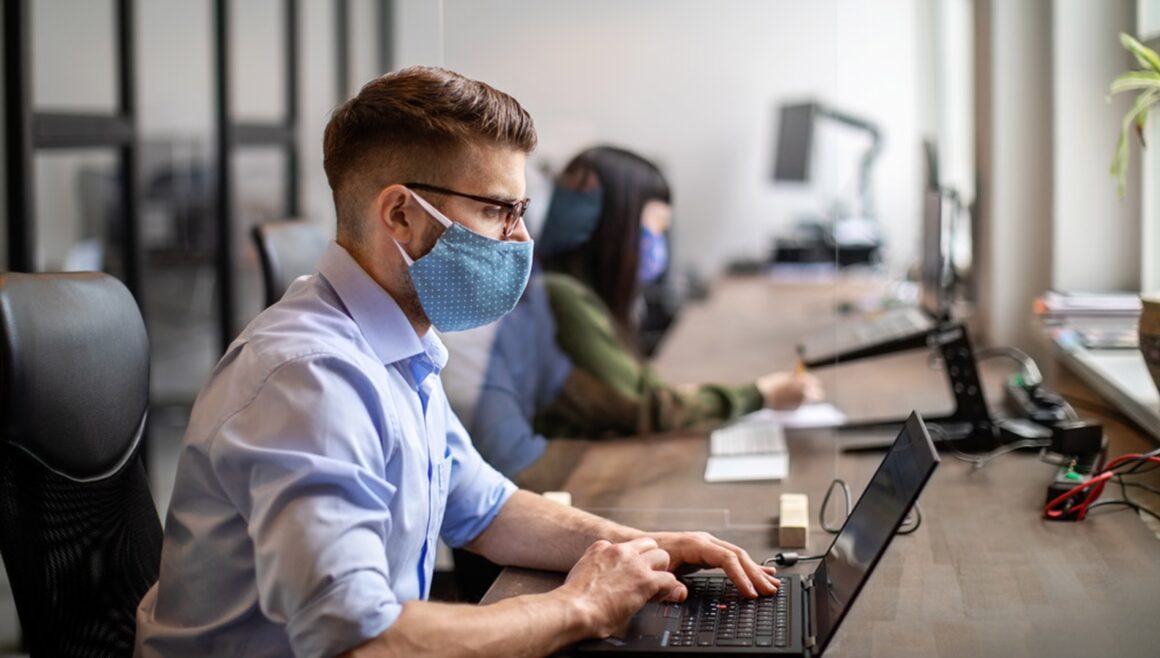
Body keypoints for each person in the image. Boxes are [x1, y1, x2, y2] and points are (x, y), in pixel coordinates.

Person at [134, 66, 780, 658]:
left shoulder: (398, 347)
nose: (521, 239)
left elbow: (485, 508)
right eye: (499, 210)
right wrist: (580, 605)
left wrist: (640, 548)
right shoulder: (309, 379)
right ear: (401, 216)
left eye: (521, 211)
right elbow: (357, 640)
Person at [534, 146, 821, 439]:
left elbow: (640, 391)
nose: (659, 242)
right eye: (657, 227)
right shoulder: (561, 296)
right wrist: (762, 394)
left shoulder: (574, 291)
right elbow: (649, 407)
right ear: (616, 225)